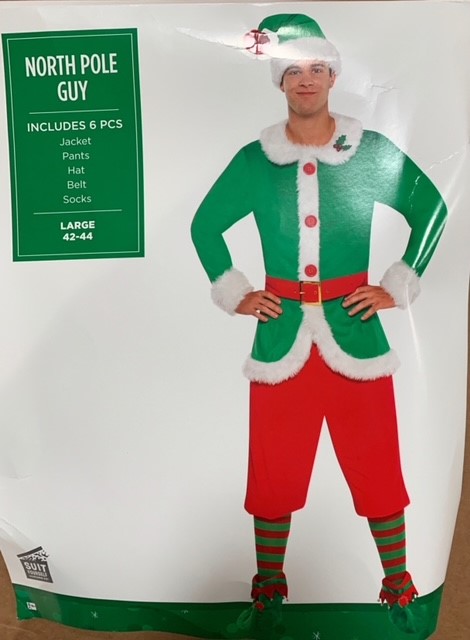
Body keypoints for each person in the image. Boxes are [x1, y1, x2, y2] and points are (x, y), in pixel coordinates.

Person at [191, 13, 447, 639]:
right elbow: (205, 226)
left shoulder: (369, 150)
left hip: (356, 335)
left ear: (333, 76)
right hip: (281, 339)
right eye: (293, 70)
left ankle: (398, 583)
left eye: (316, 68)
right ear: (279, 80)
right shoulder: (256, 161)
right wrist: (238, 293)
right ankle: (268, 590)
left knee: (376, 464)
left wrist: (396, 284)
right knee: (273, 471)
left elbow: (432, 208)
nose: (305, 80)